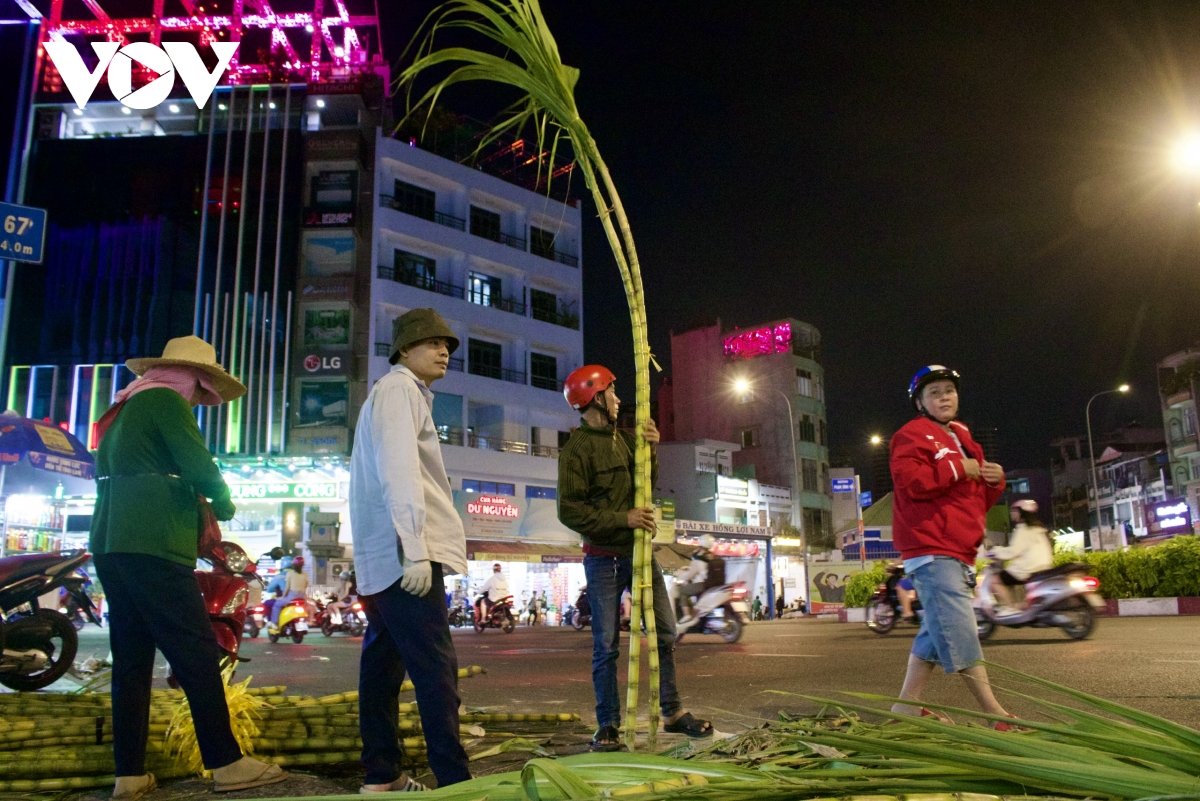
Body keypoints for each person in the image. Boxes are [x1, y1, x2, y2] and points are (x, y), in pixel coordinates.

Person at [89, 336, 287, 799]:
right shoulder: (165, 400)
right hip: (154, 542)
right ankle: (227, 763)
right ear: (194, 378)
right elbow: (197, 462)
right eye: (202, 391)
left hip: (111, 544)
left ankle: (130, 774)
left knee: (132, 661)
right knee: (197, 652)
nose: (201, 400)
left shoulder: (123, 409)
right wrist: (222, 499)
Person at [558, 364, 712, 751]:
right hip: (602, 560)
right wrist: (621, 519)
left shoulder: (625, 442)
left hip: (640, 554)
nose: (618, 398)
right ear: (594, 398)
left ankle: (672, 712)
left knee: (665, 630)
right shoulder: (575, 450)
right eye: (611, 392)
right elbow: (569, 511)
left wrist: (652, 448)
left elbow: (646, 483)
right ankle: (608, 724)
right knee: (606, 644)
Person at [349, 309, 471, 791]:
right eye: (432, 342)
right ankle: (454, 780)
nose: (444, 350)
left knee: (381, 668)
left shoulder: (394, 393)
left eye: (447, 344)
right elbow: (399, 471)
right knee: (434, 667)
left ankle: (381, 776)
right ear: (404, 349)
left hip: (386, 557)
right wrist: (416, 548)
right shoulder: (400, 391)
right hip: (404, 557)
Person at [889, 365, 1019, 729]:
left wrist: (995, 480)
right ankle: (995, 715)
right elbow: (911, 483)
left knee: (935, 630)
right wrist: (959, 469)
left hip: (961, 548)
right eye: (934, 393)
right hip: (931, 547)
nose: (944, 397)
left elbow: (973, 497)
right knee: (960, 628)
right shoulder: (910, 435)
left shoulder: (962, 434)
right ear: (920, 402)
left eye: (949, 390)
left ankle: (906, 709)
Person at [990, 499, 1055, 616]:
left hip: (1027, 569)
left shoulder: (1023, 530)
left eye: (1014, 510)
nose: (1011, 513)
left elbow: (1012, 552)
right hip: (1044, 567)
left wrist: (995, 552)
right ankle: (1020, 607)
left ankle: (1009, 608)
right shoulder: (1039, 529)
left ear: (1021, 513)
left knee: (995, 581)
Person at [676, 535, 726, 626]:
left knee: (682, 590)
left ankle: (687, 615)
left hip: (701, 584)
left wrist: (681, 576)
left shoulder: (698, 557)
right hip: (712, 584)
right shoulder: (712, 556)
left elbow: (691, 575)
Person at [270, 556, 308, 627]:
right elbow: (306, 586)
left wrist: (283, 597)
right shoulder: (305, 575)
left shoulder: (290, 573)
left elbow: (287, 588)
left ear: (293, 565)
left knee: (277, 605)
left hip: (292, 596)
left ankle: (275, 623)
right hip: (302, 596)